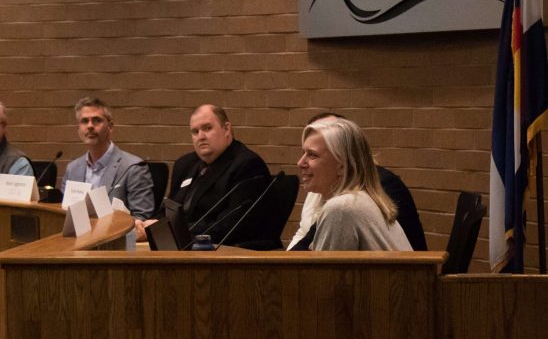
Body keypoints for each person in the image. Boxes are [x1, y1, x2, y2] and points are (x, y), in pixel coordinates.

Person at [287, 112, 426, 251]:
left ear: (342, 165)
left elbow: (326, 273)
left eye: (312, 155)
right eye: (303, 153)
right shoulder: (359, 199)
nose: (300, 163)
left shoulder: (341, 208)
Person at [168, 104, 274, 248]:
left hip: (222, 250)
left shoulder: (247, 165)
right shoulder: (185, 164)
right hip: (179, 244)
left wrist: (175, 232)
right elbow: (169, 208)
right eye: (195, 131)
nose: (201, 137)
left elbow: (229, 226)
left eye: (207, 128)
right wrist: (147, 225)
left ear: (226, 129)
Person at [61, 97, 155, 238]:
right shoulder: (72, 169)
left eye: (97, 120)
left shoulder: (133, 167)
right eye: (85, 121)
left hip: (113, 243)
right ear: (78, 129)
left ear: (110, 126)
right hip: (74, 241)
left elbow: (141, 218)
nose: (90, 126)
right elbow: (62, 214)